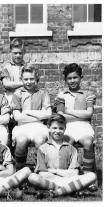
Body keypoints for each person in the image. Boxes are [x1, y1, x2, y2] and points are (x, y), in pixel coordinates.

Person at [28, 114, 97, 197]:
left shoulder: (72, 149)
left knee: (91, 176)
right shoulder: (42, 148)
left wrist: (54, 171)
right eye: (54, 128)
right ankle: (68, 189)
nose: (57, 131)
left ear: (65, 129)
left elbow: (74, 173)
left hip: (67, 179)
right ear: (49, 128)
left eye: (61, 128)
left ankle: (56, 191)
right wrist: (61, 175)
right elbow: (42, 173)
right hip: (51, 179)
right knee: (32, 177)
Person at [55, 63, 97, 191]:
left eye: (75, 78)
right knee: (66, 144)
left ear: (81, 77)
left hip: (84, 126)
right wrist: (78, 114)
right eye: (69, 78)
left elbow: (89, 113)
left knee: (88, 143)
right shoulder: (62, 95)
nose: (72, 81)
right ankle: (66, 176)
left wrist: (69, 111)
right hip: (68, 127)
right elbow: (61, 115)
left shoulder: (87, 94)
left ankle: (87, 176)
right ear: (65, 80)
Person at [11, 66, 51, 171]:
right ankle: (20, 170)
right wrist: (39, 115)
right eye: (26, 79)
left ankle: (41, 170)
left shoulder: (42, 93)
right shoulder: (17, 93)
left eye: (31, 79)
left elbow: (48, 114)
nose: (29, 82)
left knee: (40, 140)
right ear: (22, 79)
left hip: (39, 126)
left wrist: (27, 112)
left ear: (36, 79)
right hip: (22, 127)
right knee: (21, 141)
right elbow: (17, 117)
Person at [0, 38, 26, 105]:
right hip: (10, 98)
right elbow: (6, 84)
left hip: (25, 98)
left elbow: (33, 84)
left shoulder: (28, 67)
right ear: (11, 52)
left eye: (20, 53)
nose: (18, 55)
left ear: (24, 53)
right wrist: (24, 83)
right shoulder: (6, 67)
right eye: (15, 53)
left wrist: (14, 84)